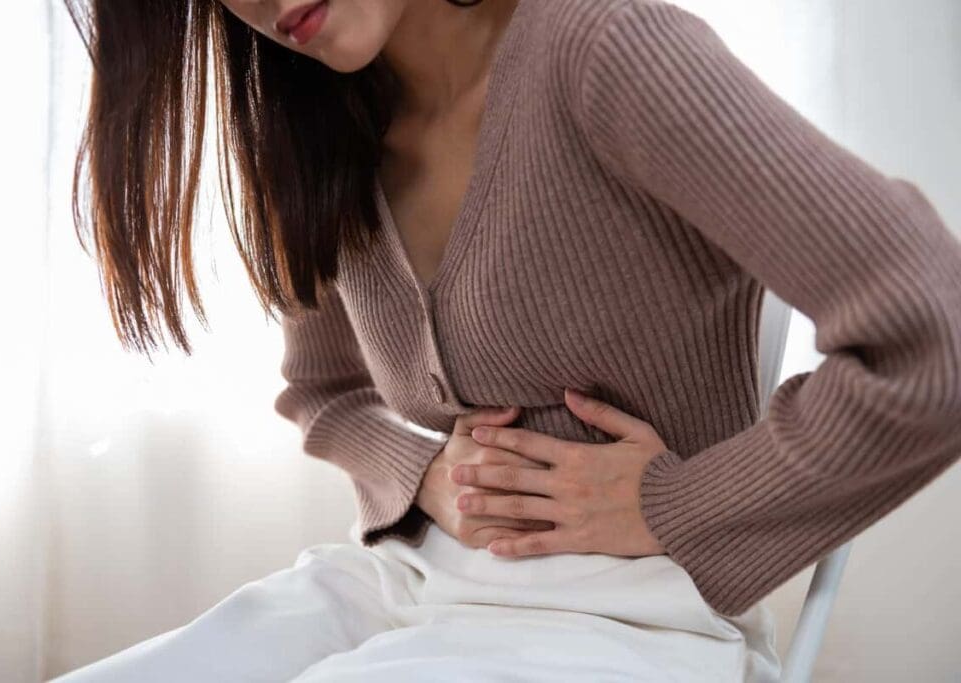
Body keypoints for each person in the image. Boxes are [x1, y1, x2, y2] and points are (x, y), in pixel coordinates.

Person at [50, 0, 961, 680]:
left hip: (629, 626)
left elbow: (936, 330)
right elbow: (324, 391)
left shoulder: (605, 50)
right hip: (399, 588)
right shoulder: (317, 130)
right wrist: (419, 475)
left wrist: (674, 504)